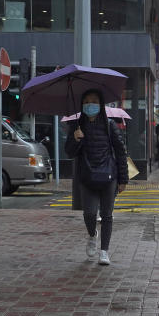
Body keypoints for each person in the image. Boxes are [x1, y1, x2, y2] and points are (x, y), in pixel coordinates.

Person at [65, 89, 128, 265]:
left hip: (109, 175)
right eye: (86, 101)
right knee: (90, 213)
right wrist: (76, 139)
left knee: (107, 214)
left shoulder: (109, 126)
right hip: (87, 176)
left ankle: (104, 251)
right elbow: (69, 152)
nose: (89, 105)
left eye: (93, 101)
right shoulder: (77, 126)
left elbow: (121, 153)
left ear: (100, 104)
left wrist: (123, 179)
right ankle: (92, 235)